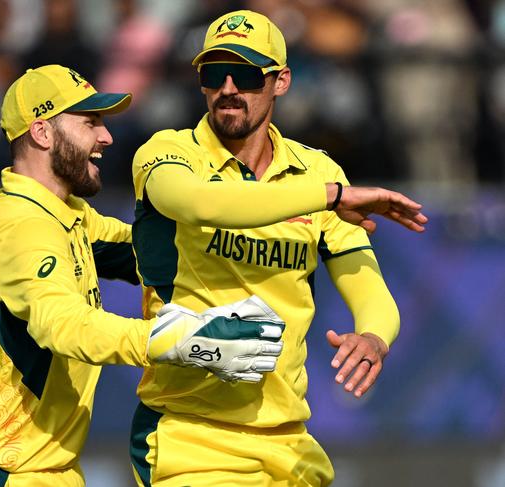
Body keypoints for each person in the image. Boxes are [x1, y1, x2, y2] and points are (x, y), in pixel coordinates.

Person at [0, 64, 289, 487]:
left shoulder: (62, 212)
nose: (106, 137)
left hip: (37, 469)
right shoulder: (26, 227)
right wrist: (181, 341)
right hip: (1, 472)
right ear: (42, 133)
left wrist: (265, 237)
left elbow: (145, 252)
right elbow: (63, 326)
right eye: (90, 122)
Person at [129, 10, 428, 487]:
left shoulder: (316, 170)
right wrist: (329, 195)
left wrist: (373, 337)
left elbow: (370, 291)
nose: (228, 88)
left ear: (281, 81)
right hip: (190, 437)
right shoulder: (168, 153)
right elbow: (203, 204)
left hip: (289, 442)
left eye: (246, 74)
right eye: (213, 74)